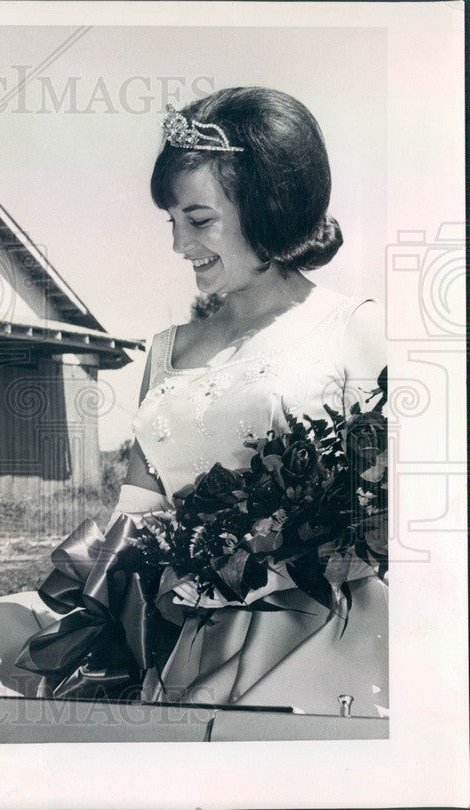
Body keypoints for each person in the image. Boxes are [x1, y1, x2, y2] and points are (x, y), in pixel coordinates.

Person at [114, 87, 387, 713]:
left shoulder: (353, 329)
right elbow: (135, 513)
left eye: (200, 220)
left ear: (268, 208)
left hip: (321, 641)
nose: (181, 246)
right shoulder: (163, 350)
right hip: (174, 635)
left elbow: (398, 514)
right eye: (173, 222)